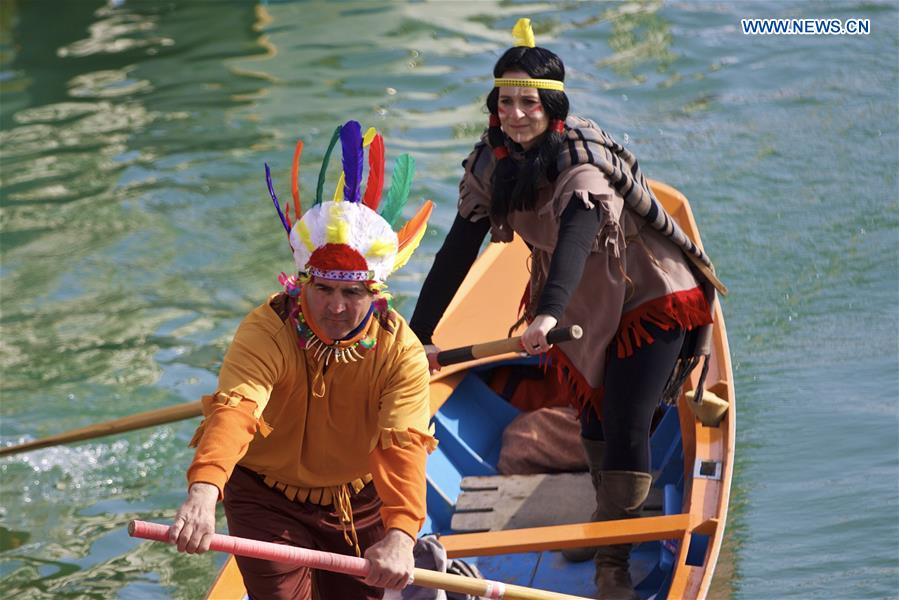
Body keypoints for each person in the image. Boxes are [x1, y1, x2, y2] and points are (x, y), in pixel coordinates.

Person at [409, 19, 724, 600]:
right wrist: (415, 334)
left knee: (626, 420)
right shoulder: (489, 163)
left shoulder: (582, 163)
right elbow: (457, 250)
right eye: (506, 101)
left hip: (648, 294)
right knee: (594, 423)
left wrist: (547, 315)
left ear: (553, 108)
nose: (516, 113)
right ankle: (613, 518)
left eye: (529, 102)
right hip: (579, 299)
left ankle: (612, 566)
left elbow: (578, 236)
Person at [170, 119, 437, 599]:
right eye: (325, 289)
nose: (336, 306)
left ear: (376, 293)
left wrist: (401, 536)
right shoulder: (265, 329)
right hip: (265, 497)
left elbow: (403, 449)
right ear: (300, 283)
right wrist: (204, 491)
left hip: (361, 500)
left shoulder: (402, 353)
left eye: (352, 293)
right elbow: (237, 410)